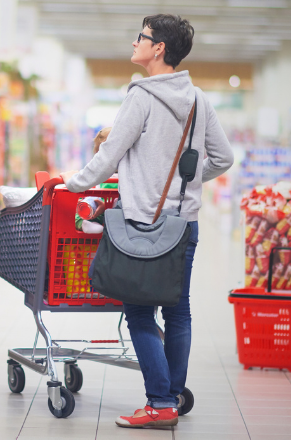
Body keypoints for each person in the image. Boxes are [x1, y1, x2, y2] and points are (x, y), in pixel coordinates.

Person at [60, 14, 233, 429]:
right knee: (178, 311)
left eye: (142, 37)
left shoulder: (140, 96)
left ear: (158, 49)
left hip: (141, 222)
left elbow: (109, 157)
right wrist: (184, 185)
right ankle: (170, 395)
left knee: (139, 314)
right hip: (183, 224)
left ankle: (159, 403)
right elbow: (223, 158)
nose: (135, 42)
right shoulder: (198, 99)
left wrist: (72, 184)